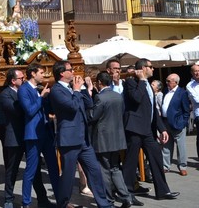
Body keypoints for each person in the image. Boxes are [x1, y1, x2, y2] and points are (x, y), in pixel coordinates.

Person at [49, 61, 112, 208]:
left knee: (95, 170)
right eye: (70, 70)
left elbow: (89, 104)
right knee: (68, 176)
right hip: (69, 139)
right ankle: (63, 203)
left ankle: (104, 203)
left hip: (84, 139)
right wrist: (76, 91)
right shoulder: (56, 90)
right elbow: (72, 107)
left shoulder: (74, 87)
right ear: (61, 73)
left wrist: (83, 88)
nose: (73, 72)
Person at [122, 58, 179, 201]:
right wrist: (141, 80)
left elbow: (153, 110)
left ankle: (163, 191)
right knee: (131, 162)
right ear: (143, 68)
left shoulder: (147, 85)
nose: (153, 69)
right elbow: (136, 98)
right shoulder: (131, 82)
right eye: (151, 66)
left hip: (147, 130)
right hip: (134, 129)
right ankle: (126, 193)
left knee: (156, 157)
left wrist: (162, 129)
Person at [0, 68, 55, 208]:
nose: (23, 80)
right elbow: (18, 112)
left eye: (24, 77)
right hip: (16, 136)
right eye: (21, 78)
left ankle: (42, 199)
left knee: (34, 169)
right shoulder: (5, 94)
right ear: (13, 81)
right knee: (13, 169)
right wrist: (33, 100)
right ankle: (8, 199)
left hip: (31, 134)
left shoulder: (29, 90)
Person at [88, 72, 138, 208]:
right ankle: (126, 197)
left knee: (104, 169)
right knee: (115, 168)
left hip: (103, 139)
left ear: (99, 82)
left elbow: (93, 116)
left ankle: (108, 199)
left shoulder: (100, 97)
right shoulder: (118, 96)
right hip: (117, 138)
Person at [18, 63, 60, 208]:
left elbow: (48, 109)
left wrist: (49, 97)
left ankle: (61, 200)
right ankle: (26, 203)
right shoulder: (23, 90)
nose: (44, 75)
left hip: (46, 133)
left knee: (54, 169)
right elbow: (29, 111)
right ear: (33, 74)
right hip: (33, 136)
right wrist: (41, 97)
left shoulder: (41, 89)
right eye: (41, 72)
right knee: (31, 170)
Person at [160, 74, 191, 176]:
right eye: (166, 80)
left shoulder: (182, 93)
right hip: (165, 122)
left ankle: (182, 166)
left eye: (169, 81)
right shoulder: (165, 91)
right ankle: (165, 166)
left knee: (180, 146)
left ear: (176, 82)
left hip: (177, 123)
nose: (167, 83)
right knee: (166, 145)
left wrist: (183, 123)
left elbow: (186, 110)